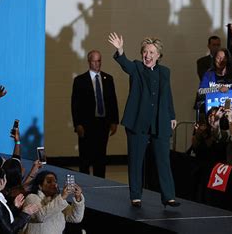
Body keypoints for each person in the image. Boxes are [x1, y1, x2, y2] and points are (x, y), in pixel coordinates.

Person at [108, 32, 180, 208]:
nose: (147, 55)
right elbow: (125, 64)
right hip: (138, 122)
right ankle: (135, 196)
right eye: (145, 52)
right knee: (136, 160)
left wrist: (172, 115)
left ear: (158, 56)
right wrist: (120, 50)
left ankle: (168, 196)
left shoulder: (165, 72)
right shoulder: (137, 68)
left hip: (159, 122)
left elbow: (167, 96)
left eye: (151, 53)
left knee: (163, 160)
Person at [71, 50, 119, 178]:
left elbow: (112, 101)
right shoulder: (80, 80)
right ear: (89, 62)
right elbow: (75, 105)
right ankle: (85, 184)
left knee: (101, 157)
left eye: (99, 61)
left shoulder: (108, 79)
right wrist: (78, 124)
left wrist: (114, 121)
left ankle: (100, 182)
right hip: (86, 125)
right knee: (85, 158)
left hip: (103, 124)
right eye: (94, 61)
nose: (97, 64)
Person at [0, 162, 38, 234]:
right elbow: (9, 231)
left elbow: (0, 219)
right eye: (5, 178)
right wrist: (25, 214)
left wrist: (14, 207)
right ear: (1, 181)